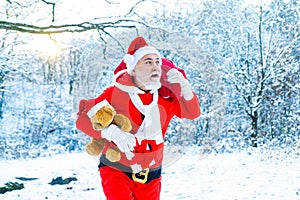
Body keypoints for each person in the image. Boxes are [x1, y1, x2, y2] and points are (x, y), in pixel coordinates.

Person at [76, 36, 200, 200]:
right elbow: (82, 120)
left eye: (157, 62)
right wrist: (111, 132)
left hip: (151, 173)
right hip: (116, 168)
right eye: (148, 62)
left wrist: (185, 87)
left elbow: (192, 113)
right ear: (133, 69)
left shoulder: (165, 100)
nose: (155, 66)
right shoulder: (115, 93)